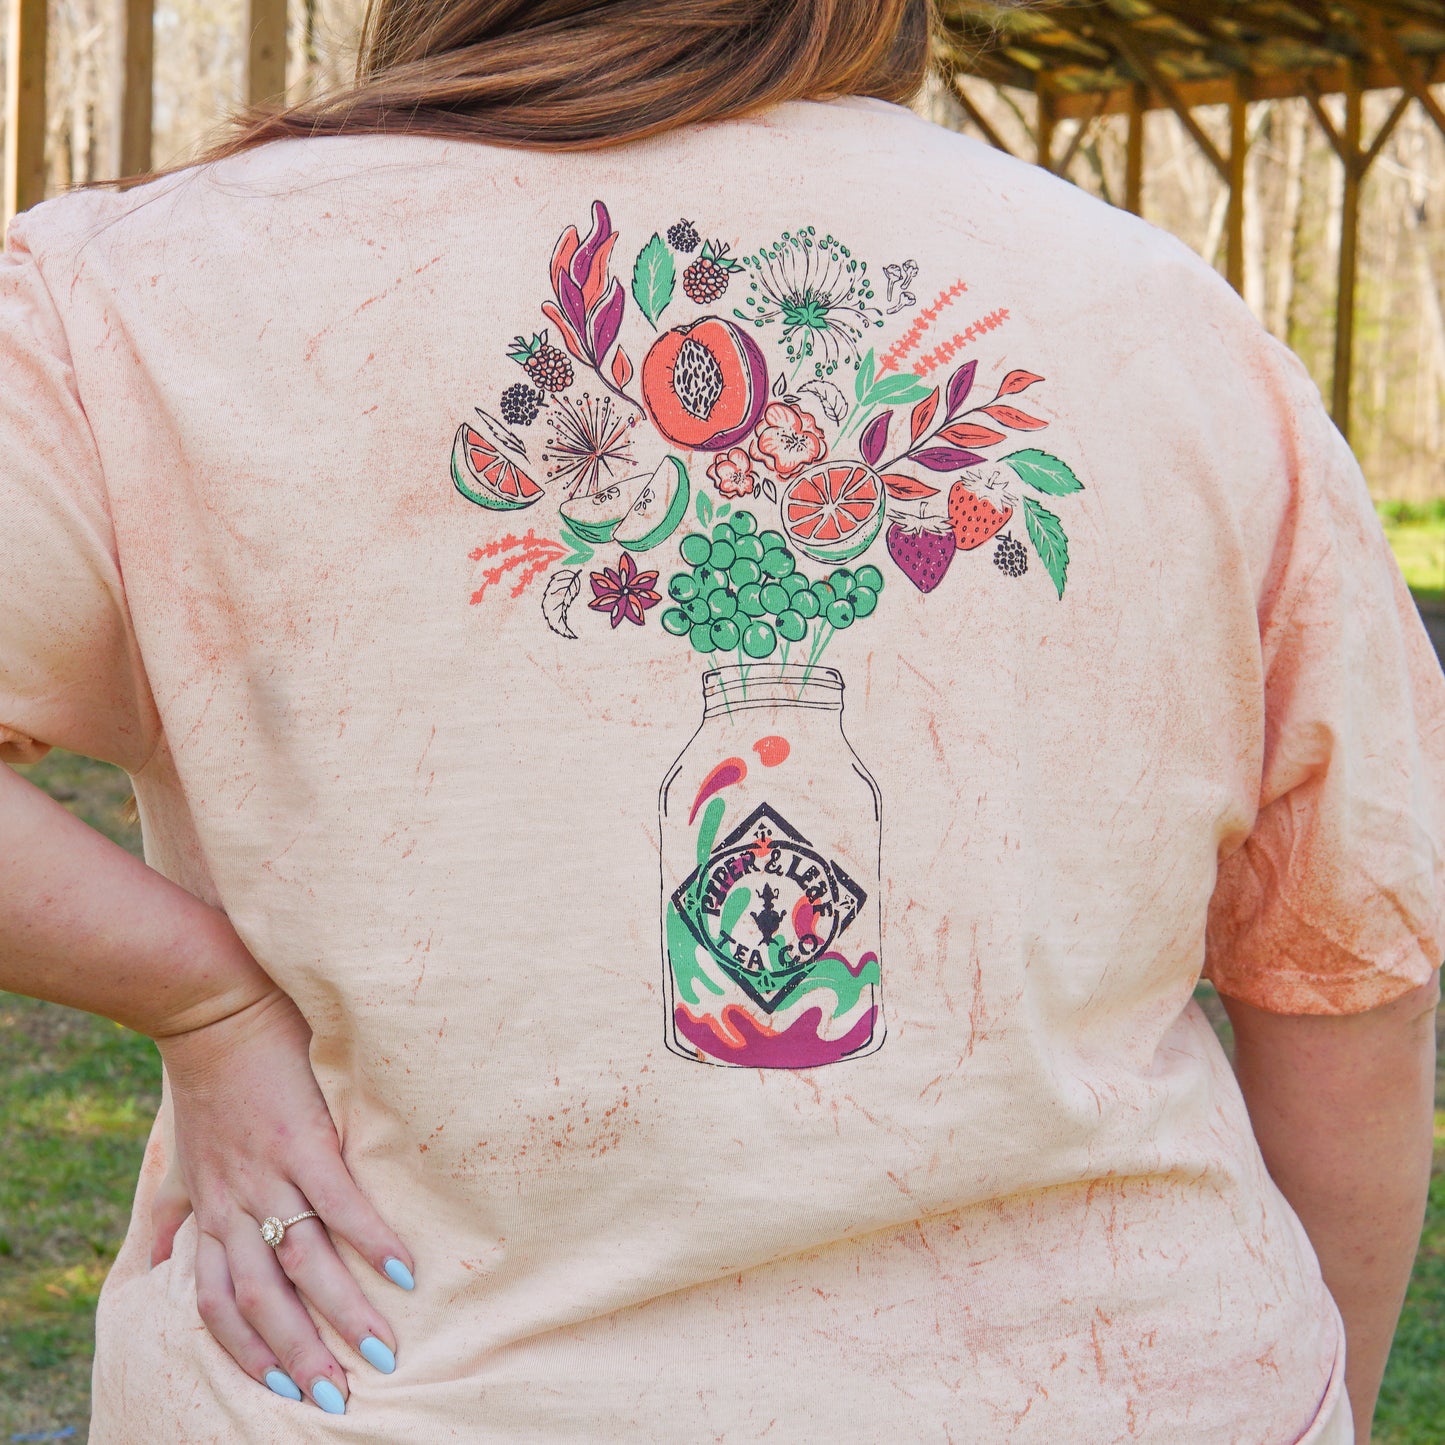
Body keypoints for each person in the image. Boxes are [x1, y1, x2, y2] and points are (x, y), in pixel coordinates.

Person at [1, 2, 1441, 1440]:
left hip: (394, 1388)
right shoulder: (1161, 319)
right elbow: (1347, 967)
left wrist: (204, 1002)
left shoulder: (141, 293)